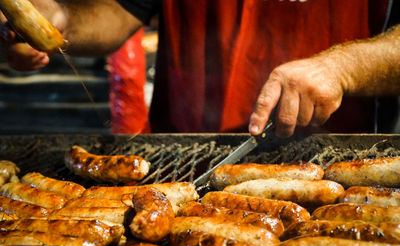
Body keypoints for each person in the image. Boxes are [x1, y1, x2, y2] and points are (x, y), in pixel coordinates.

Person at [1, 0, 399, 137]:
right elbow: (118, 11)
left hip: (343, 167)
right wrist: (61, 19)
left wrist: (342, 67)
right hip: (187, 159)